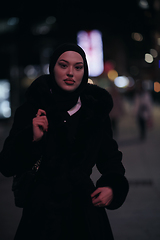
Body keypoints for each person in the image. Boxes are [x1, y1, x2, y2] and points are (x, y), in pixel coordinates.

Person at [0, 43, 129, 240]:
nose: (71, 73)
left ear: (84, 72)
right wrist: (32, 138)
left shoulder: (95, 112)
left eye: (78, 67)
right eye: (63, 65)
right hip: (41, 216)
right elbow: (7, 165)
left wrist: (112, 186)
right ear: (52, 68)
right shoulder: (31, 110)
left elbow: (111, 158)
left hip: (85, 213)